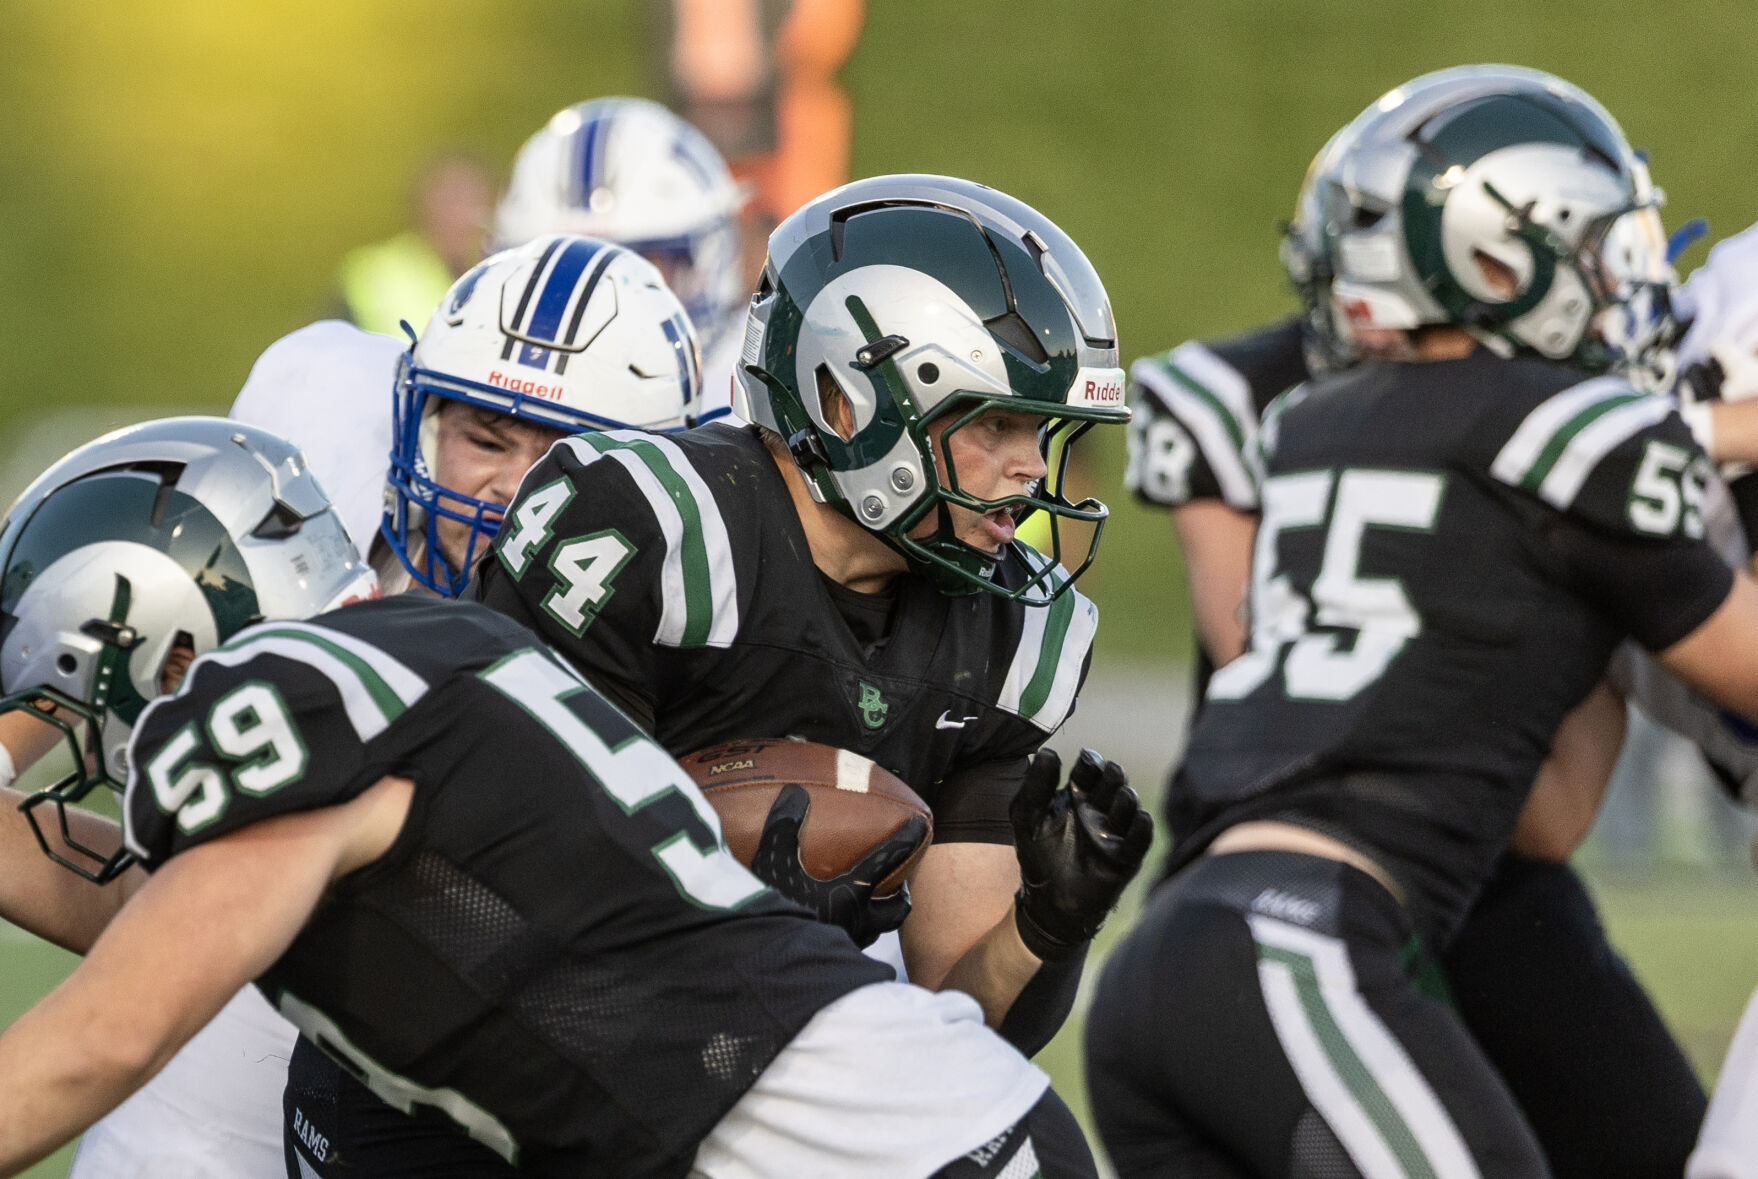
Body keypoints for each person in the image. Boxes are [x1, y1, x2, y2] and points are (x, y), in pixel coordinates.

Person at [0, 415, 1142, 1179]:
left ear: (166, 646)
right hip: (921, 1132)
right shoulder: (416, 662)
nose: (91, 741)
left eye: (71, 697)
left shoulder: (290, 696)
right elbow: (166, 931)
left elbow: (104, 1037)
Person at [1084, 69, 1758, 1177]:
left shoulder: (1317, 419)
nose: (1622, 280)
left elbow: (1549, 816)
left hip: (1181, 950)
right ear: (1502, 258)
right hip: (1308, 939)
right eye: (1599, 247)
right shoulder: (1571, 435)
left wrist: (1588, 616)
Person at [52, 235, 705, 1179]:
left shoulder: (724, 630)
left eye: (571, 456)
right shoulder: (318, 440)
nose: (513, 489)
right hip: (225, 1054)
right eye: (484, 436)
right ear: (414, 421)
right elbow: (90, 621)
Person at [493, 98, 750, 414]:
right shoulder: (492, 390)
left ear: (705, 263)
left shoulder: (756, 397)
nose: (596, 301)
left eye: (638, 266)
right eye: (565, 273)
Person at [332, 154, 495, 339]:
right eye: (452, 200)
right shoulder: (374, 274)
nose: (463, 214)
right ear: (423, 205)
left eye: (474, 201)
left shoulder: (497, 279)